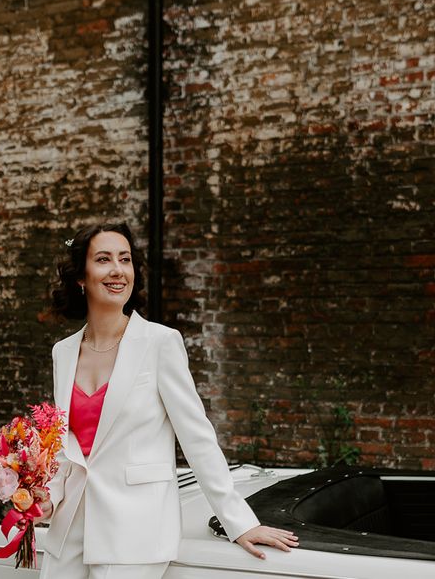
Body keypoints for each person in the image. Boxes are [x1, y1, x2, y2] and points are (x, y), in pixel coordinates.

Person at [37, 221, 298, 579]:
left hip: (134, 532)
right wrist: (45, 500)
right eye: (103, 259)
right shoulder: (63, 353)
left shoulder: (160, 343)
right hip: (68, 532)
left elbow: (197, 438)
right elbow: (66, 449)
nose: (117, 270)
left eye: (125, 259)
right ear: (80, 276)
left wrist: (238, 522)